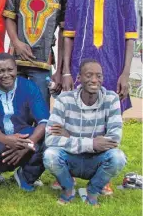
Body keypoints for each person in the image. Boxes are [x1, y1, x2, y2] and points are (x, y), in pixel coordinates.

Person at [62, 0, 138, 113]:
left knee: (110, 117)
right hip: (79, 67)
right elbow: (68, 36)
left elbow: (130, 38)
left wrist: (125, 74)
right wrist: (66, 72)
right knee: (77, 115)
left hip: (113, 68)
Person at [44, 59, 126, 206]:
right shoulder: (64, 99)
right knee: (50, 155)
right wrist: (93, 143)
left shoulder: (111, 98)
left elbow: (114, 139)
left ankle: (93, 190)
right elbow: (50, 138)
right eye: (89, 75)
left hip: (96, 160)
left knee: (118, 157)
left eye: (99, 76)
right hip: (71, 159)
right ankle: (68, 189)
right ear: (79, 78)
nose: (94, 80)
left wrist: (69, 136)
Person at [3, 0, 72, 107]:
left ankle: (39, 136)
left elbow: (65, 32)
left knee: (40, 110)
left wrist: (61, 70)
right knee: (13, 108)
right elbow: (9, 17)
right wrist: (16, 42)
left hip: (42, 62)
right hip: (15, 62)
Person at [0, 53, 49, 191]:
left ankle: (25, 176)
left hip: (24, 140)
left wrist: (29, 144)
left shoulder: (29, 86)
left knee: (50, 140)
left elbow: (44, 121)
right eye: (0, 71)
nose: (6, 75)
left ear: (16, 69)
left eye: (10, 70)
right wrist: (8, 140)